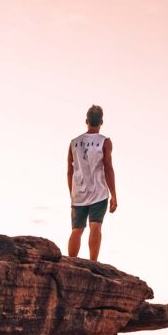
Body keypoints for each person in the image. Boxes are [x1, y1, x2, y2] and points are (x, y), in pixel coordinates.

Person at [67, 104, 117, 261]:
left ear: (86, 121)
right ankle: (93, 263)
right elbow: (108, 168)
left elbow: (70, 171)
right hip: (98, 193)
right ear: (101, 122)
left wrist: (72, 194)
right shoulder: (105, 142)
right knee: (95, 226)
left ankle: (70, 262)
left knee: (77, 229)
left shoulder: (74, 143)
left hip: (79, 194)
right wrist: (114, 195)